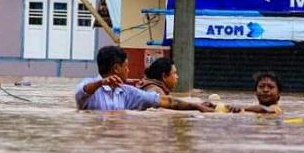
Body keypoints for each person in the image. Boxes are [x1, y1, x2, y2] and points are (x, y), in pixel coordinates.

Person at [75, 46, 213, 112]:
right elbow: (82, 92)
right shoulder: (88, 86)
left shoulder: (127, 92)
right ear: (116, 68)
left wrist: (196, 106)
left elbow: (165, 100)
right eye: (126, 66)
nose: (128, 70)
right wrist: (101, 83)